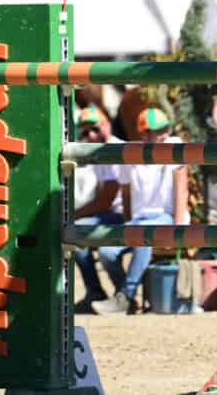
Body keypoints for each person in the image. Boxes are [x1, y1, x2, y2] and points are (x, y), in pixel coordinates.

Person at [92, 107, 189, 314]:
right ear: (144, 134)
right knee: (106, 252)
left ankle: (125, 297)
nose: (164, 134)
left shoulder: (174, 145)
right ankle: (126, 296)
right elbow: (126, 193)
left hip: (166, 217)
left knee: (143, 236)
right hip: (139, 220)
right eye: (158, 131)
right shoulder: (131, 152)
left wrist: (178, 228)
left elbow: (182, 190)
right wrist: (128, 223)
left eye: (165, 129)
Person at [71, 106, 125, 312]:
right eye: (85, 133)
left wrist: (73, 214)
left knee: (75, 231)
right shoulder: (100, 151)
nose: (91, 136)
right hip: (112, 214)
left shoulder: (113, 150)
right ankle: (98, 292)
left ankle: (119, 294)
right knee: (75, 232)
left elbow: (106, 199)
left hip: (123, 215)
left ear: (107, 125)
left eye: (95, 129)